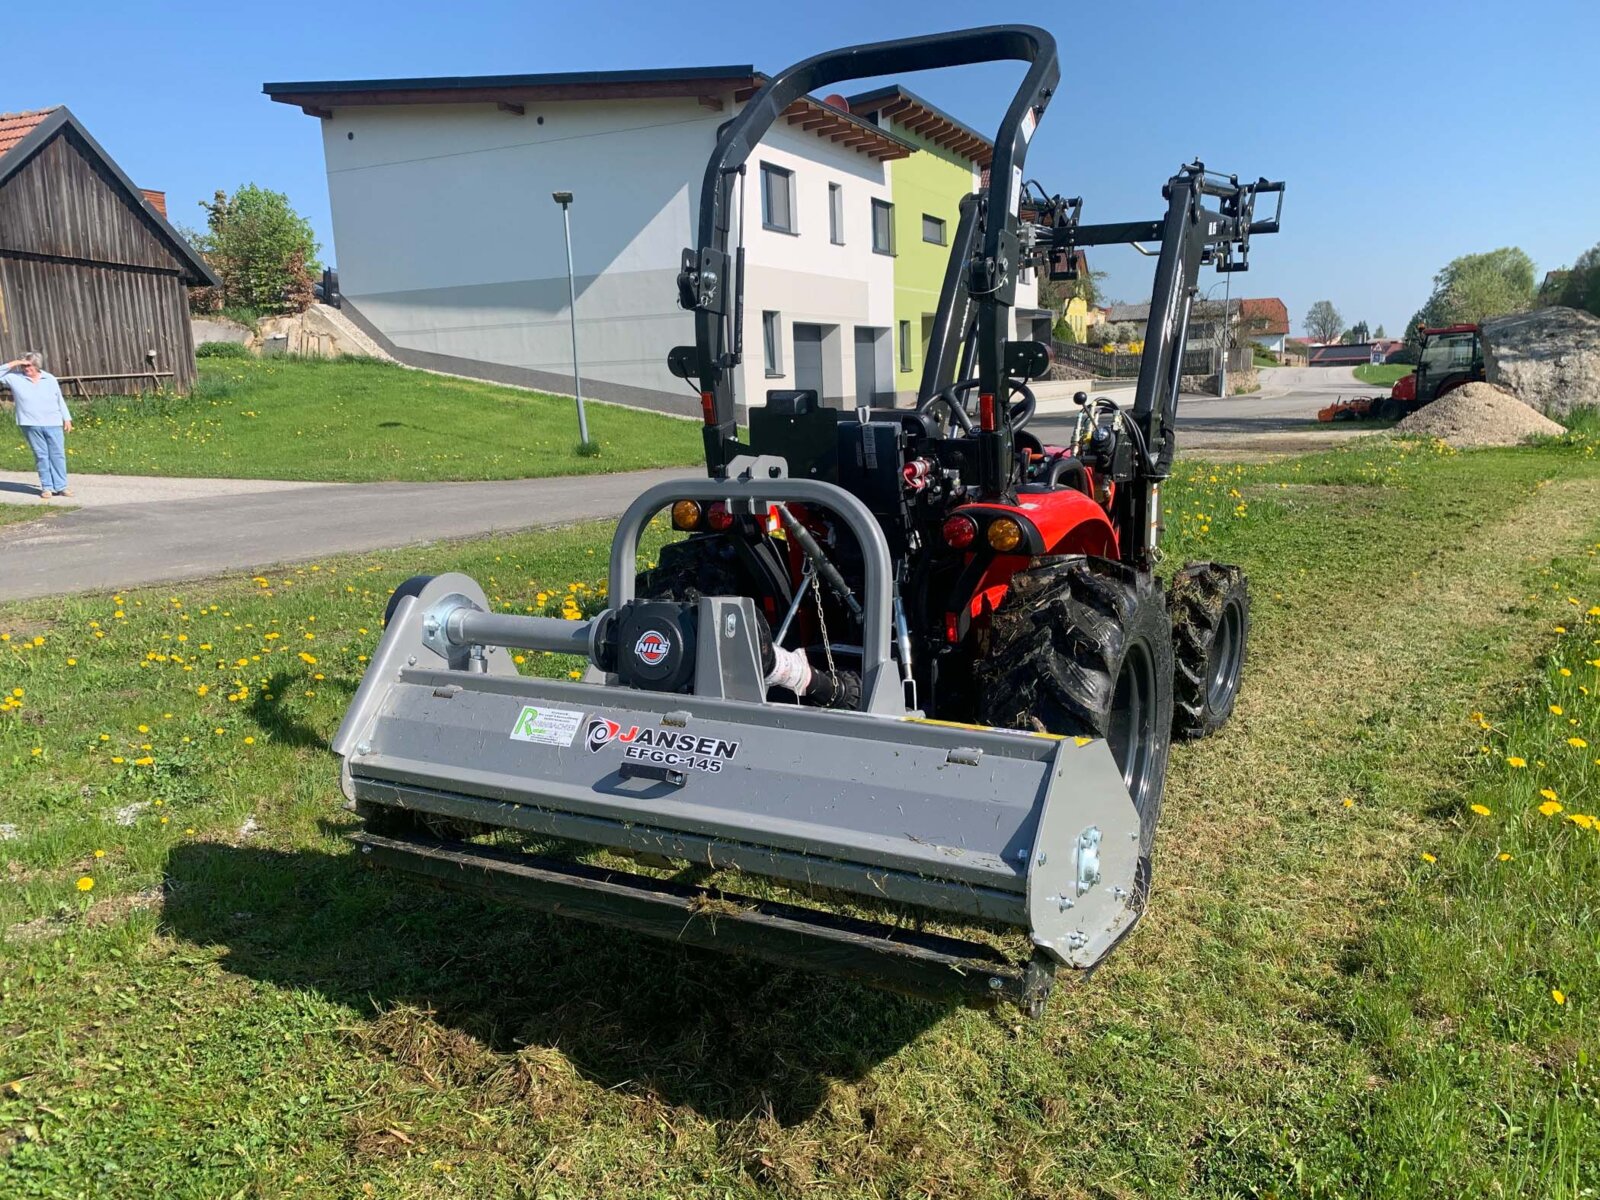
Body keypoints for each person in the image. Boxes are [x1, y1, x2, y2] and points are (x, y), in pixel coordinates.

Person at [1, 351, 73, 499]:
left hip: (53, 422)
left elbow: (59, 399)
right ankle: (47, 487)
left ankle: (61, 486)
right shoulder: (15, 378)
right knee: (41, 455)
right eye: (24, 366)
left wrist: (67, 418)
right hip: (30, 424)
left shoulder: (49, 378)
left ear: (37, 365)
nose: (27, 369)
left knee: (58, 455)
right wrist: (15, 363)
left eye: (30, 366)